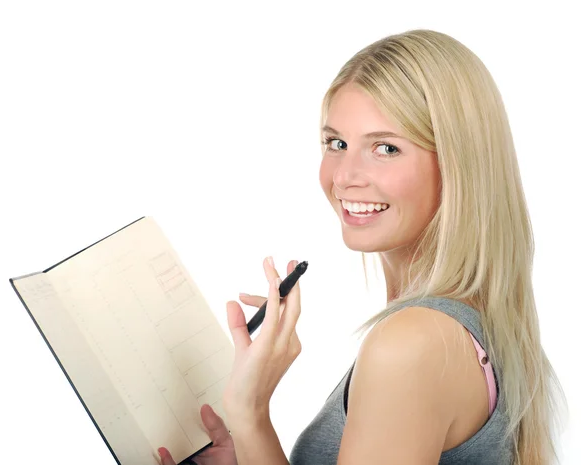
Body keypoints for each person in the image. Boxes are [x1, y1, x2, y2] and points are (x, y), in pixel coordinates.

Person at [158, 28, 565, 465]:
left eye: (385, 148)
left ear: (457, 164)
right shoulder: (472, 324)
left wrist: (250, 412)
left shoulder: (413, 343)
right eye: (337, 143)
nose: (344, 175)